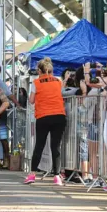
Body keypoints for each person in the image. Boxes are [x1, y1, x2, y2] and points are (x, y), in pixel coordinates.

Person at [25, 57, 66, 186]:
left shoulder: (36, 83)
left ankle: (32, 174)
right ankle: (57, 176)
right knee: (56, 146)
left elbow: (31, 100)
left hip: (43, 116)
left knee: (39, 145)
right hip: (59, 115)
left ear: (39, 70)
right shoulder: (58, 81)